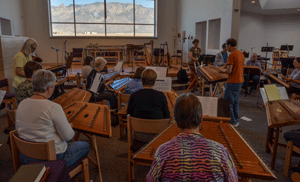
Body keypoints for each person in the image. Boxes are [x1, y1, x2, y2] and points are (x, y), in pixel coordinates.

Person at [146, 93, 238, 182]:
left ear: (176, 119)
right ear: (201, 118)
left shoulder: (163, 152)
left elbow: (151, 180)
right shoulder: (221, 152)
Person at [16, 70, 90, 168]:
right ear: (49, 89)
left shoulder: (22, 104)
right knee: (84, 145)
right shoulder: (53, 107)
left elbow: (19, 129)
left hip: (25, 156)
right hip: (51, 158)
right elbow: (68, 136)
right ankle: (64, 175)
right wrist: (69, 126)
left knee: (61, 137)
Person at [127, 69, 170, 151]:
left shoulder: (133, 95)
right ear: (154, 82)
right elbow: (167, 116)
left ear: (142, 81)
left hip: (138, 134)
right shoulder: (161, 95)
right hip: (157, 134)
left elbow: (129, 114)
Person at [219, 38, 244, 128]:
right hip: (240, 81)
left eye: (227, 46)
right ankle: (236, 120)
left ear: (229, 45)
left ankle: (232, 122)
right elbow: (236, 65)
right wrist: (226, 65)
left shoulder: (232, 55)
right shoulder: (240, 54)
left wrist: (221, 71)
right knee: (235, 102)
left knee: (227, 102)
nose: (226, 48)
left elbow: (229, 71)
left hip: (233, 81)